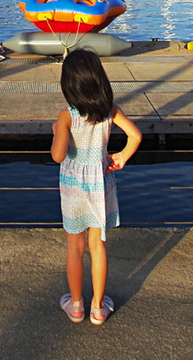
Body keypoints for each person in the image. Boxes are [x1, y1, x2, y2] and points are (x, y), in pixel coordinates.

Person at [50, 48, 142, 325]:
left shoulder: (67, 116)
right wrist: (122, 156)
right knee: (97, 245)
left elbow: (57, 156)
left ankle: (76, 305)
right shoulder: (110, 111)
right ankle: (98, 308)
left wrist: (57, 131)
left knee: (75, 248)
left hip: (73, 186)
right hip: (100, 182)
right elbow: (135, 135)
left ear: (69, 85)